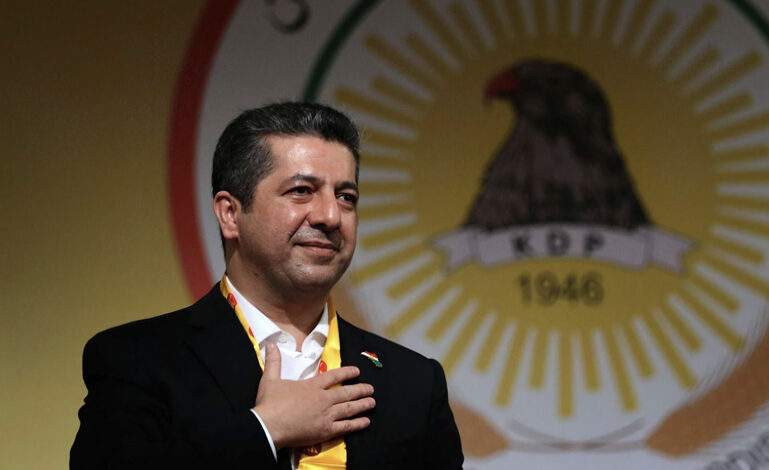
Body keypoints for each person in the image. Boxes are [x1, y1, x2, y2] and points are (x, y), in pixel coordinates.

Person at [70, 102, 464, 469]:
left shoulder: (413, 381)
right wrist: (264, 429)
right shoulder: (137, 360)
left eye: (346, 196)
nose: (331, 215)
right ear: (230, 214)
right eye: (301, 191)